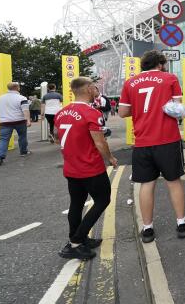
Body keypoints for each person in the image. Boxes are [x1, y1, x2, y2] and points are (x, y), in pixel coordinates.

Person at [118, 50, 185, 243]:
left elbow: (123, 112)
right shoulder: (169, 78)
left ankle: (147, 228)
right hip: (167, 139)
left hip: (142, 141)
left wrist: (141, 108)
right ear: (160, 64)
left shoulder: (130, 83)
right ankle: (181, 223)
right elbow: (177, 108)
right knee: (173, 182)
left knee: (147, 184)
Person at [54, 77, 118, 260]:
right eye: (94, 87)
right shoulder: (91, 112)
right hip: (90, 166)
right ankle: (75, 241)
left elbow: (58, 137)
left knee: (76, 203)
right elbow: (99, 141)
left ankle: (78, 240)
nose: (96, 89)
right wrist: (111, 158)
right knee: (103, 199)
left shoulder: (62, 112)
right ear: (89, 89)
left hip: (71, 166)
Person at [0, 82, 32, 166]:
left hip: (5, 122)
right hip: (20, 121)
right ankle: (23, 152)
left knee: (3, 139)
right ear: (17, 88)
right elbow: (25, 110)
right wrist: (28, 120)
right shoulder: (22, 98)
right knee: (22, 136)